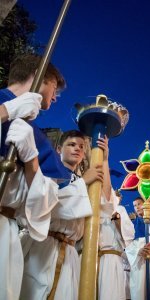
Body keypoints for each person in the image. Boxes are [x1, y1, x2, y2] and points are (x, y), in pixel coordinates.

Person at [0, 54, 67, 300]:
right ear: (42, 75)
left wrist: (31, 159)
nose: (56, 96)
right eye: (55, 88)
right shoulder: (6, 106)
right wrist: (6, 111)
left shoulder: (35, 134)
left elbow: (44, 204)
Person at [19, 130, 104, 299]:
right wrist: (83, 182)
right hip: (42, 244)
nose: (77, 149)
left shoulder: (82, 179)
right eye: (71, 145)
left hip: (70, 251)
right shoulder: (49, 171)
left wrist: (105, 159)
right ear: (59, 149)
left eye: (81, 146)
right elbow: (47, 205)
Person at [96, 157, 134, 300]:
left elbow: (127, 237)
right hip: (91, 256)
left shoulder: (121, 210)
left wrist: (116, 220)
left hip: (111, 258)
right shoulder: (94, 204)